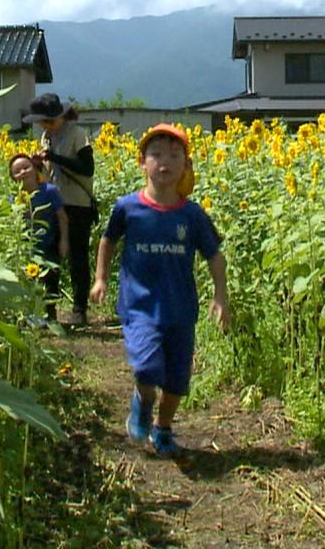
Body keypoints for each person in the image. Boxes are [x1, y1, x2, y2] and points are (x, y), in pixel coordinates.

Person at [89, 124, 229, 457]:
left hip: (180, 308)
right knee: (148, 367)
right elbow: (108, 241)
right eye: (156, 155)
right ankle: (142, 401)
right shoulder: (128, 207)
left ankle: (163, 428)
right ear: (142, 163)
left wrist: (220, 296)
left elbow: (214, 256)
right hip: (139, 304)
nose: (164, 163)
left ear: (186, 165)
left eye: (174, 156)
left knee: (178, 380)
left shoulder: (192, 215)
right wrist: (101, 278)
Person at [23, 93, 97, 326]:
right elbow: (48, 173)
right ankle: (49, 310)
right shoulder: (46, 137)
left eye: (48, 121)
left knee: (77, 258)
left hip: (77, 204)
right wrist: (37, 164)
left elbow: (87, 169)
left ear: (60, 117)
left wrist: (55, 157)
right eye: (42, 122)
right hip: (52, 205)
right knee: (49, 258)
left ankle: (79, 310)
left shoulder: (78, 135)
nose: (44, 125)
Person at [8, 153, 68, 323]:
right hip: (27, 247)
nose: (23, 172)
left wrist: (64, 241)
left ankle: (51, 316)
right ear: (13, 177)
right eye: (17, 171)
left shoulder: (49, 191)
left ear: (34, 169)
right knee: (29, 282)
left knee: (50, 281)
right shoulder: (14, 198)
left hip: (49, 244)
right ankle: (33, 317)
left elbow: (62, 217)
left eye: (26, 167)